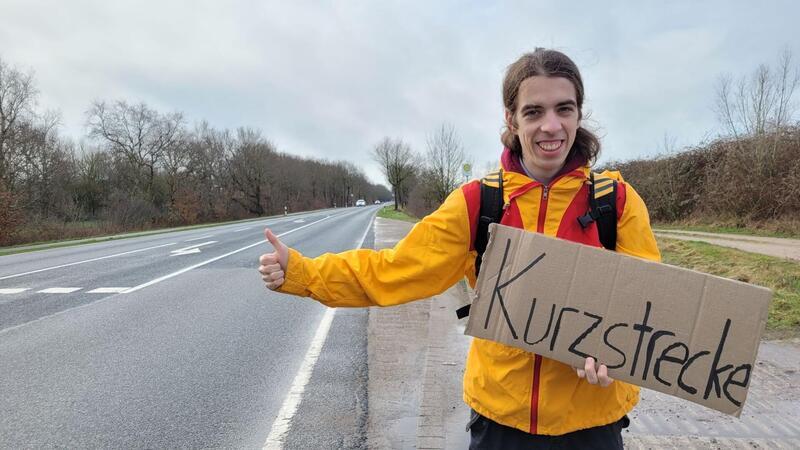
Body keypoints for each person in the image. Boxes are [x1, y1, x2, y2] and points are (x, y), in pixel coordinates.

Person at [258, 48, 660, 449]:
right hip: (501, 422)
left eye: (564, 109)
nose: (550, 126)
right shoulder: (478, 203)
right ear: (511, 118)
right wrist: (301, 272)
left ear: (578, 114)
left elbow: (650, 308)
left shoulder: (616, 203)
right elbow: (393, 270)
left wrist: (622, 360)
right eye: (534, 112)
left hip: (593, 424)